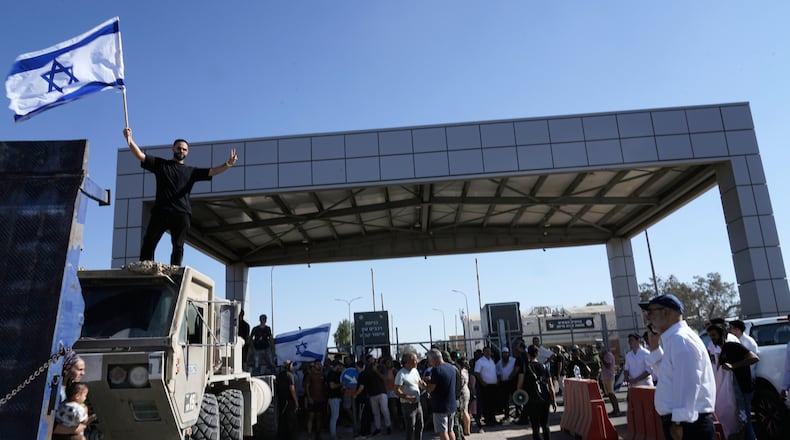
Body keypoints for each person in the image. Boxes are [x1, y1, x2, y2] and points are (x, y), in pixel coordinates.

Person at [122, 128, 238, 266]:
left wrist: (228, 164)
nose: (181, 151)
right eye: (179, 148)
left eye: (184, 149)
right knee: (149, 241)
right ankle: (145, 268)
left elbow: (212, 171)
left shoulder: (191, 171)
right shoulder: (161, 165)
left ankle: (175, 271)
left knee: (178, 246)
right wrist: (129, 139)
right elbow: (140, 155)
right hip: (161, 211)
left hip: (182, 213)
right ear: (173, 149)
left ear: (187, 152)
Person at [641, 294, 716, 440]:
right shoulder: (675, 339)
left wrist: (678, 422)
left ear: (666, 312)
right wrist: (655, 348)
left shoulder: (680, 340)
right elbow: (668, 377)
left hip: (689, 425)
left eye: (651, 312)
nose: (648, 318)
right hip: (687, 422)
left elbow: (688, 384)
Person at [707, 324, 759, 440]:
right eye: (710, 336)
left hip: (743, 389)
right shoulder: (722, 351)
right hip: (734, 393)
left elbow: (754, 358)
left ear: (723, 334)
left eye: (714, 335)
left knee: (746, 423)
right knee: (739, 423)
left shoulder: (733, 346)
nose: (712, 338)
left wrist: (733, 366)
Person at [516, 344, 556, 440]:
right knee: (545, 425)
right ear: (537, 354)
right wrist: (553, 400)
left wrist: (520, 398)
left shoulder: (525, 367)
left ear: (528, 354)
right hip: (544, 399)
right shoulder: (544, 367)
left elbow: (519, 385)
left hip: (531, 400)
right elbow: (551, 385)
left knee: (535, 426)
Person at [52, 351, 87, 438]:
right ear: (67, 369)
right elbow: (52, 424)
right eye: (80, 369)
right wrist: (75, 430)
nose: (83, 373)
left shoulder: (69, 388)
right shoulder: (58, 393)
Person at [355, 355, 392, 436]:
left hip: (382, 392)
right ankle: (378, 428)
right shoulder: (367, 370)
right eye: (369, 360)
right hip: (372, 394)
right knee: (375, 412)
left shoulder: (381, 367)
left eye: (371, 358)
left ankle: (388, 426)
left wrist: (376, 371)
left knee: (384, 409)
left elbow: (384, 378)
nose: (371, 360)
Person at [425, 348, 457, 440]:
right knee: (450, 430)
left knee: (443, 431)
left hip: (440, 406)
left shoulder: (436, 370)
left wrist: (424, 386)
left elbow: (431, 389)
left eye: (430, 360)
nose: (430, 362)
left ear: (433, 359)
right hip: (451, 403)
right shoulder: (451, 367)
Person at [394, 352, 425, 440]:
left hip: (417, 404)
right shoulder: (401, 374)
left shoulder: (415, 371)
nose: (417, 361)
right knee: (410, 427)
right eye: (415, 360)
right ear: (407, 362)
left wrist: (424, 384)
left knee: (420, 426)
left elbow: (419, 382)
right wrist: (408, 397)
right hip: (407, 405)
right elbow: (396, 390)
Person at [473, 346, 498, 426]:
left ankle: (493, 419)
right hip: (485, 386)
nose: (488, 353)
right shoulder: (480, 362)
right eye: (486, 351)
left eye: (489, 351)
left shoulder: (491, 361)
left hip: (493, 385)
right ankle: (488, 420)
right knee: (487, 404)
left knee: (493, 403)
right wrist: (482, 381)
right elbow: (477, 373)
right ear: (483, 352)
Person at [306, 359, 328, 439]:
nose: (319, 365)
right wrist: (309, 397)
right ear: (314, 365)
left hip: (321, 399)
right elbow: (307, 387)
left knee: (319, 417)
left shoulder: (323, 374)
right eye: (317, 364)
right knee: (311, 417)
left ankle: (318, 435)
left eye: (320, 364)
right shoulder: (310, 375)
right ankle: (309, 434)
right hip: (312, 399)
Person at [277, 360, 299, 440]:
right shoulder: (290, 375)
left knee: (283, 421)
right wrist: (296, 402)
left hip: (281, 401)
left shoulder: (280, 375)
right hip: (290, 402)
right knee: (291, 422)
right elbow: (292, 389)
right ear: (290, 366)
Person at [496, 346, 518, 421]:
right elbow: (498, 373)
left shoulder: (513, 360)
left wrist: (512, 375)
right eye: (503, 353)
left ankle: (518, 413)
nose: (505, 355)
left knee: (515, 398)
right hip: (503, 383)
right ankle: (506, 415)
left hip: (512, 382)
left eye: (506, 353)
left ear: (508, 353)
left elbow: (516, 369)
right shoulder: (499, 363)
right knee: (505, 400)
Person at [600, 345, 621, 417]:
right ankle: (614, 409)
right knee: (609, 394)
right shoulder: (605, 355)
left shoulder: (608, 355)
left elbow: (608, 365)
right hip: (605, 377)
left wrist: (602, 358)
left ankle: (617, 410)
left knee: (611, 394)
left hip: (609, 377)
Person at [327, 361, 344, 440]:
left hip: (336, 397)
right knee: (334, 416)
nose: (341, 369)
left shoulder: (335, 374)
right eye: (340, 367)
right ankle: (333, 435)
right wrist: (341, 384)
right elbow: (332, 386)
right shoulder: (331, 374)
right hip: (333, 398)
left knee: (335, 416)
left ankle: (334, 434)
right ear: (337, 366)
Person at [456, 357, 472, 436]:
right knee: (466, 410)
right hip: (466, 390)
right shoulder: (466, 371)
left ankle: (466, 429)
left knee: (464, 411)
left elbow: (461, 383)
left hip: (462, 392)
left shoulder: (461, 372)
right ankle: (467, 429)